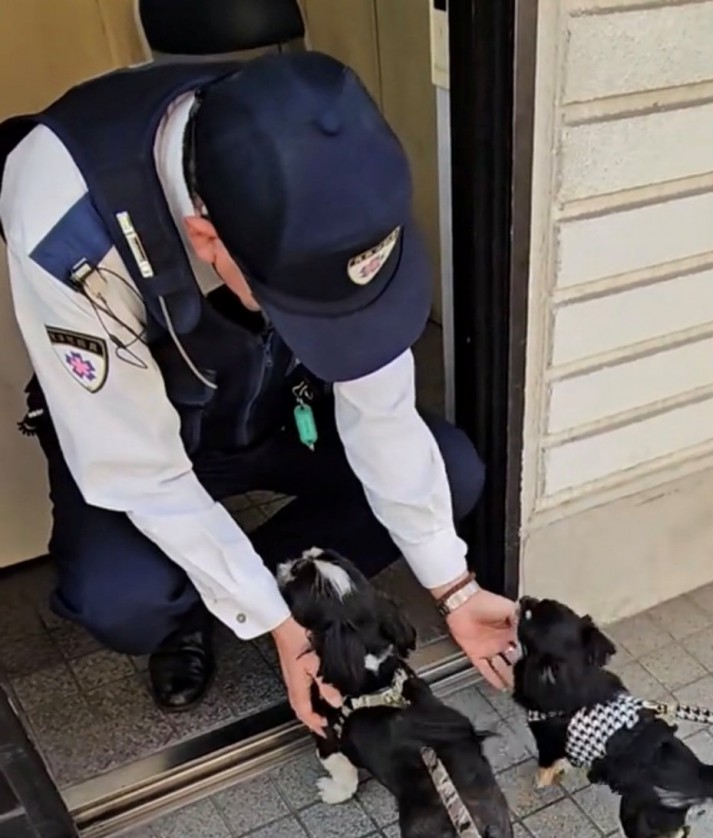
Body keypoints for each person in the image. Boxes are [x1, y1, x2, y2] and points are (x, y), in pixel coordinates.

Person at [0, 52, 517, 733]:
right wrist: (277, 626)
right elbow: (140, 470)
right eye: (303, 310)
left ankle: (269, 587)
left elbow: (381, 413)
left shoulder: (346, 162)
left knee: (450, 471)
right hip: (141, 425)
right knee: (121, 599)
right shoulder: (64, 214)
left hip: (281, 414)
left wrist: (454, 587)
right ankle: (198, 612)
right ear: (206, 239)